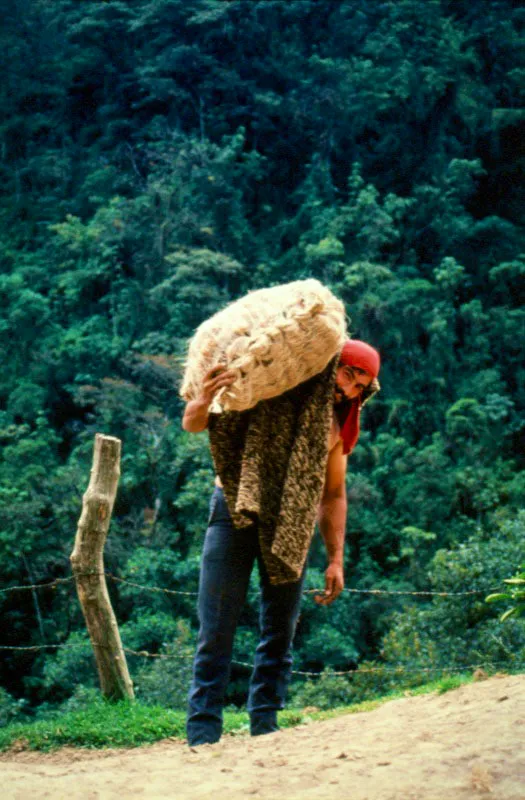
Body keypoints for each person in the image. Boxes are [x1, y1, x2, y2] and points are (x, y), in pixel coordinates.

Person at [182, 339, 381, 745]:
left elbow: (333, 493)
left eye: (361, 385)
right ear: (330, 366)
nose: (350, 388)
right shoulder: (274, 389)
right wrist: (203, 398)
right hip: (234, 507)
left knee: (279, 631)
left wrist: (336, 559)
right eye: (347, 375)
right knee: (216, 626)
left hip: (292, 520)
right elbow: (194, 423)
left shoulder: (333, 424)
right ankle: (203, 733)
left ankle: (265, 729)